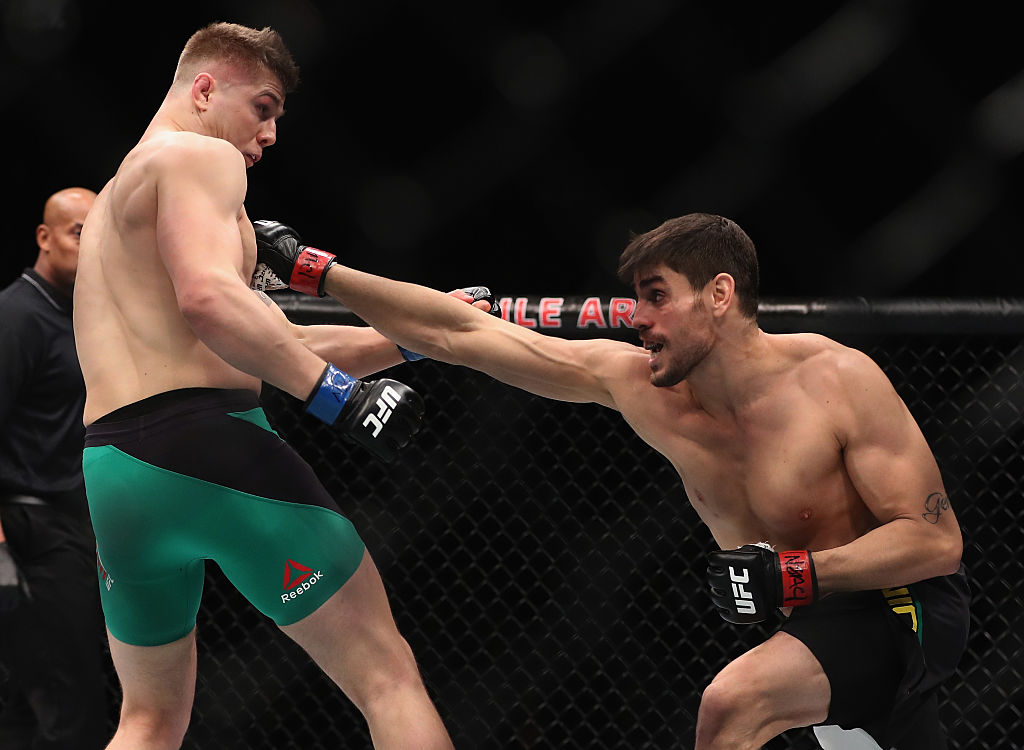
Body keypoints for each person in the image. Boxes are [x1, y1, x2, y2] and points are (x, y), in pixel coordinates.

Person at [252, 213, 971, 750]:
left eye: (657, 296)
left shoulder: (836, 378)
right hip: (808, 623)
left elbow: (936, 542)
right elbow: (462, 336)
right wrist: (318, 273)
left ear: (719, 294)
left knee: (732, 703)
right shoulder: (638, 386)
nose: (639, 319)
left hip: (896, 606)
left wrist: (799, 571)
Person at [73, 21, 483, 750]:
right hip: (211, 448)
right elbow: (211, 300)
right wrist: (336, 398)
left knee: (147, 722)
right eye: (262, 107)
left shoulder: (112, 201)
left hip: (114, 473)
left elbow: (257, 342)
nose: (268, 136)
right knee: (387, 678)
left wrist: (412, 340)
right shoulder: (201, 159)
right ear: (205, 89)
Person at [0, 186, 110, 748]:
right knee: (72, 703)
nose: (90, 245)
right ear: (44, 238)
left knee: (31, 699)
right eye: (77, 232)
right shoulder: (15, 314)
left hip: (65, 523)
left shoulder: (80, 315)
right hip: (24, 530)